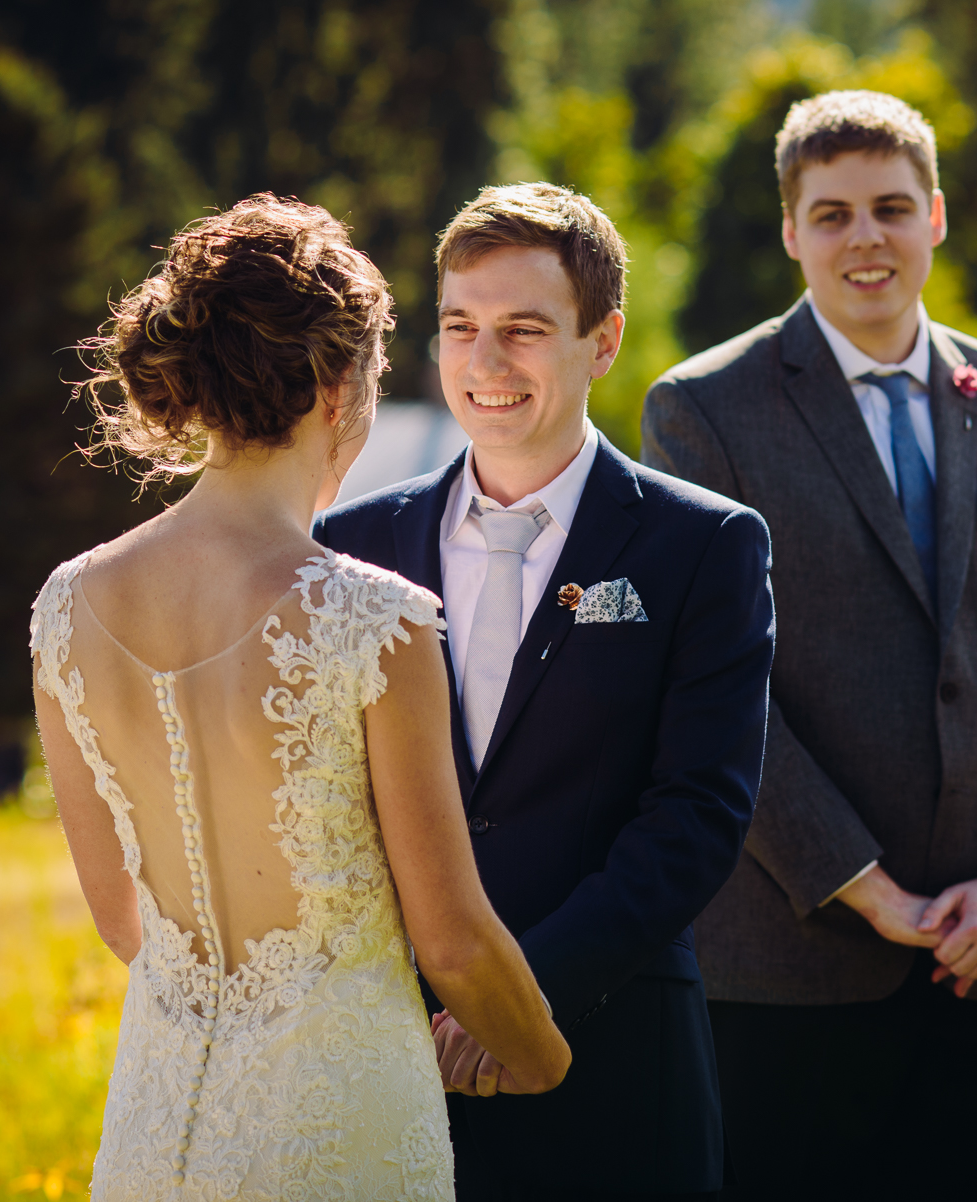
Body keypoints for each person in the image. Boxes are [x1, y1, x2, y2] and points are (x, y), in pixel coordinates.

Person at [32, 195, 571, 1202]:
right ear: (337, 386)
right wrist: (542, 1057)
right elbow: (450, 936)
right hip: (340, 1122)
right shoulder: (374, 617)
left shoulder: (68, 604)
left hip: (155, 1120)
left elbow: (122, 917)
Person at [641, 91, 977, 1201]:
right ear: (790, 230)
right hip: (792, 968)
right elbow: (716, 690)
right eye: (834, 213)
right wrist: (867, 890)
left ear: (937, 217)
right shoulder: (703, 409)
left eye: (892, 208)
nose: (867, 238)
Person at [313, 182, 775, 1201]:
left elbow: (699, 812)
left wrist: (514, 993)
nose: (485, 362)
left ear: (602, 342)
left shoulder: (705, 544)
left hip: (611, 1044)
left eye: (523, 330)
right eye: (461, 326)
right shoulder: (351, 542)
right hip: (392, 1054)